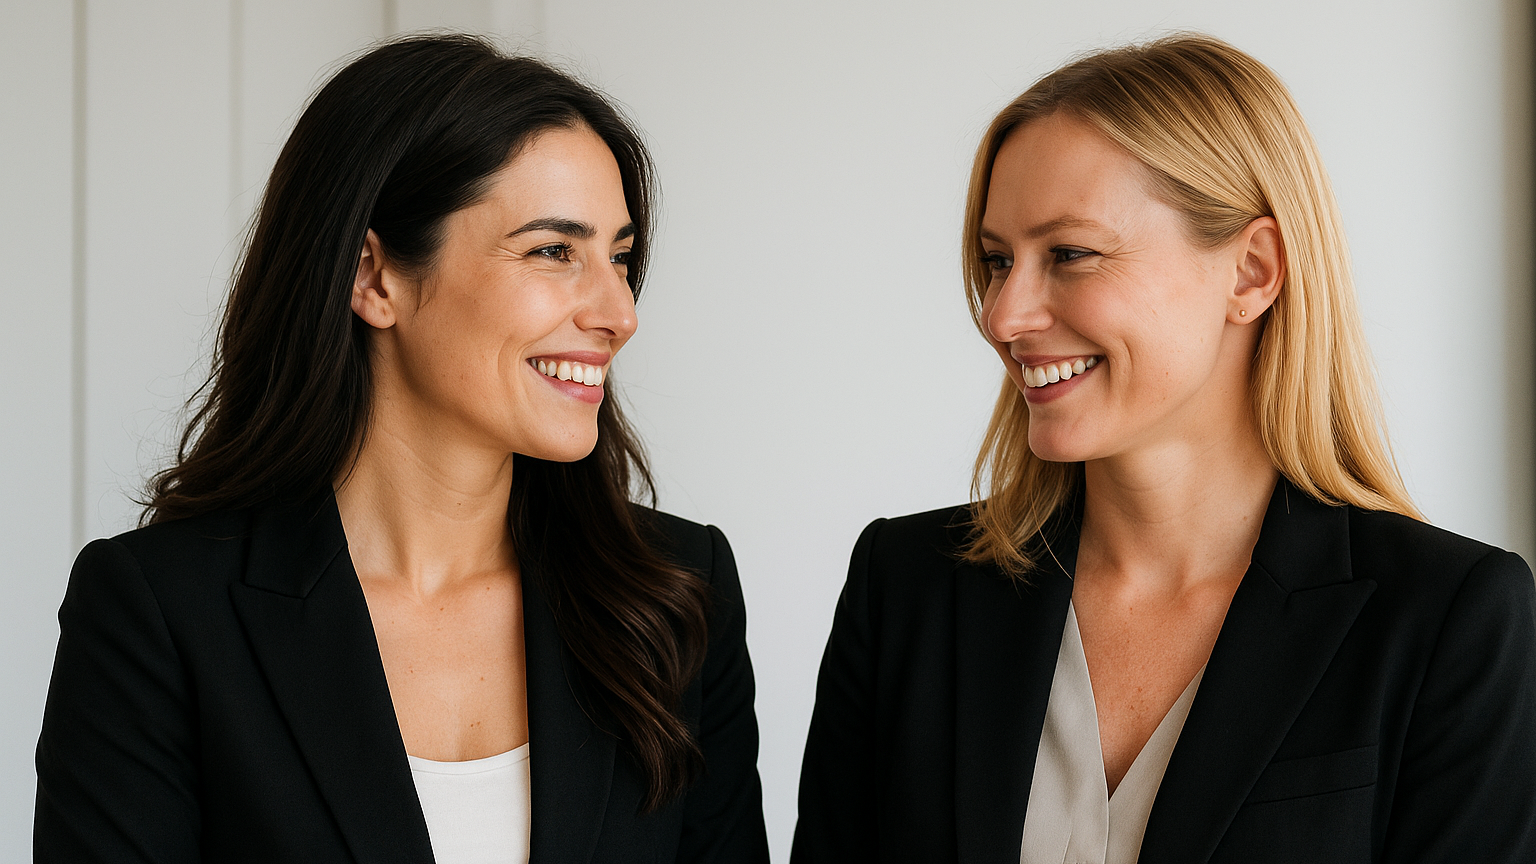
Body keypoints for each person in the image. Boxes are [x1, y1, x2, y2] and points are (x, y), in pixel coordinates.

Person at [791, 34, 1536, 864]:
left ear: (1252, 271)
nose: (1004, 316)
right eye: (998, 262)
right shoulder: (906, 589)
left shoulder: (1446, 620)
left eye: (1069, 254)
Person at [35, 35, 768, 864]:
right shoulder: (161, 613)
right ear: (373, 278)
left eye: (620, 257)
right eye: (553, 251)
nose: (619, 311)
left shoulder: (674, 595)